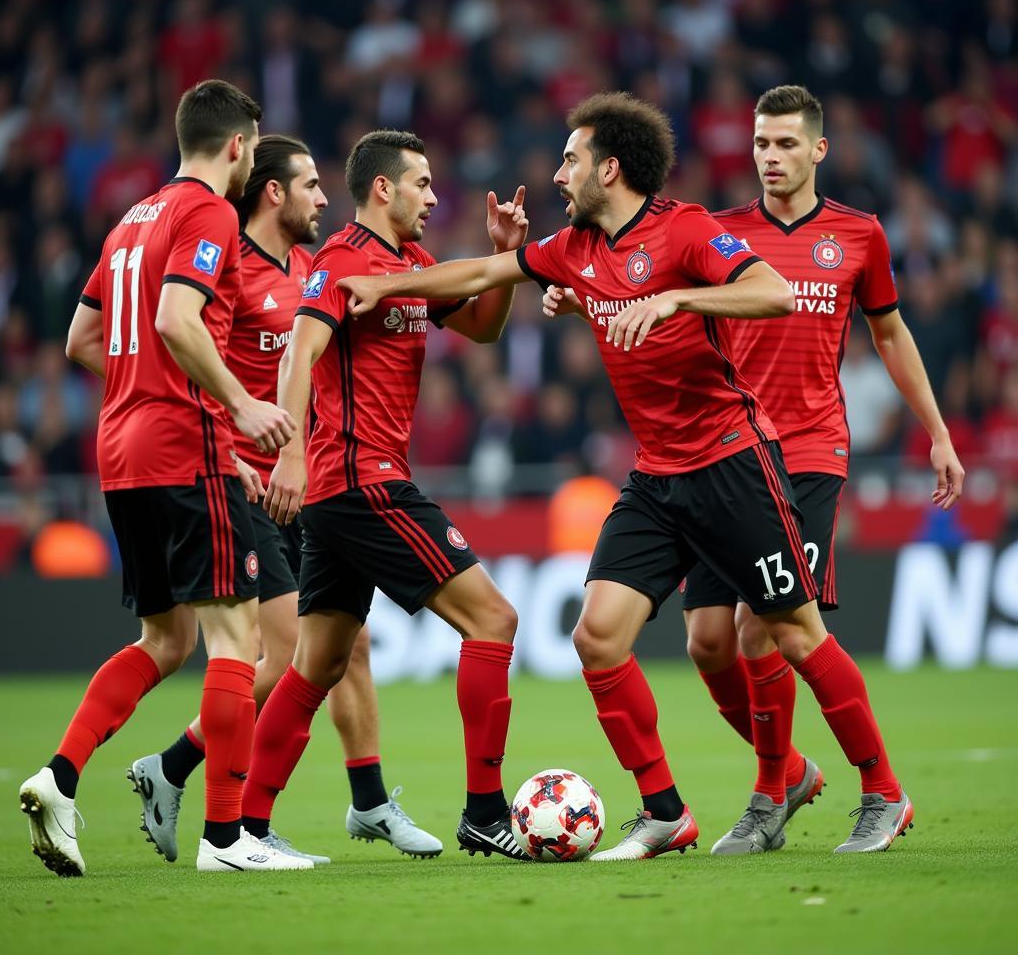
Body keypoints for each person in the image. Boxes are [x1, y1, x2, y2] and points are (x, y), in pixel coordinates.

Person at [338, 91, 916, 860]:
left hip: (732, 464)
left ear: (609, 168)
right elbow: (481, 270)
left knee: (795, 633)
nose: (557, 173)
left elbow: (771, 292)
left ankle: (881, 790)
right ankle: (666, 810)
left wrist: (676, 295)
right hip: (657, 479)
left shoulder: (685, 230)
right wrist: (389, 285)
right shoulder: (572, 246)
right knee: (598, 637)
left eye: (571, 160)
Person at [545, 85, 965, 856]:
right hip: (722, 454)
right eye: (760, 145)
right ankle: (789, 777)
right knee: (709, 641)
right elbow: (640, 297)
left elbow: (894, 337)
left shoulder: (858, 235)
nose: (769, 158)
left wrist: (936, 431)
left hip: (804, 452)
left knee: (765, 627)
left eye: (783, 145)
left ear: (818, 150)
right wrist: (585, 306)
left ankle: (804, 793)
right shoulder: (715, 231)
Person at [20, 80, 309, 875]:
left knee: (165, 637)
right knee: (234, 637)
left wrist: (149, 392)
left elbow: (84, 338)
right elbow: (176, 320)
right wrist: (240, 407)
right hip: (184, 447)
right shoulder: (208, 212)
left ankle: (60, 774)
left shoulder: (130, 220)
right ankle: (225, 839)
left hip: (122, 453)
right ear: (238, 147)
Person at [128, 134, 442, 865]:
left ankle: (366, 803)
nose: (324, 198)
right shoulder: (224, 263)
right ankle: (200, 796)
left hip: (312, 485)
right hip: (249, 487)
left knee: (346, 646)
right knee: (289, 654)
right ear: (274, 190)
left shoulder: (312, 266)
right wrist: (236, 452)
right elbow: (177, 354)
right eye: (309, 185)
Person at [242, 130, 532, 860]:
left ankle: (245, 830)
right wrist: (294, 455)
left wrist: (498, 264)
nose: (434, 197)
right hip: (361, 482)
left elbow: (483, 330)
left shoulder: (410, 265)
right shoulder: (342, 260)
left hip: (353, 487)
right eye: (422, 184)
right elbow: (300, 351)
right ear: (382, 188)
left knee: (318, 666)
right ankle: (486, 812)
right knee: (494, 620)